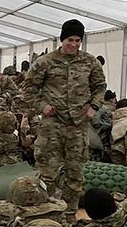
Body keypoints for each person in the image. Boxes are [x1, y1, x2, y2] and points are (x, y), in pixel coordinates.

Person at [21, 19, 106, 211]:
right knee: (47, 173)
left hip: (78, 126)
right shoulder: (45, 62)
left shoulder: (89, 62)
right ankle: (46, 213)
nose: (74, 44)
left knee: (75, 174)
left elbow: (100, 87)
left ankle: (69, 215)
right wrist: (41, 106)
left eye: (77, 40)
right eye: (70, 40)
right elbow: (28, 89)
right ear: (62, 39)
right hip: (52, 125)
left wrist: (94, 106)